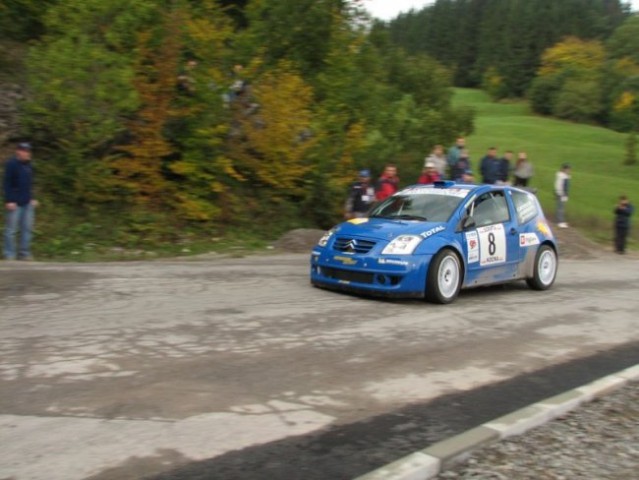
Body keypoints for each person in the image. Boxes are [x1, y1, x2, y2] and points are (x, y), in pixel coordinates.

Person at [3, 142, 37, 260]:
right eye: (25, 151)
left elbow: (30, 183)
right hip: (15, 202)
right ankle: (9, 254)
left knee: (27, 229)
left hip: (27, 202)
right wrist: (9, 200)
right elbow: (7, 183)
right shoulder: (11, 164)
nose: (27, 153)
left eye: (28, 151)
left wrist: (32, 198)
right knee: (11, 230)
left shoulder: (29, 165)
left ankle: (24, 253)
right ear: (18, 151)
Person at [554, 163, 571, 228]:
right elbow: (562, 186)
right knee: (560, 208)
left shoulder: (563, 176)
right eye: (568, 169)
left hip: (561, 194)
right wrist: (563, 195)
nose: (569, 171)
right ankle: (560, 222)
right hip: (561, 194)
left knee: (561, 208)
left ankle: (561, 220)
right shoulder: (562, 176)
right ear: (564, 169)